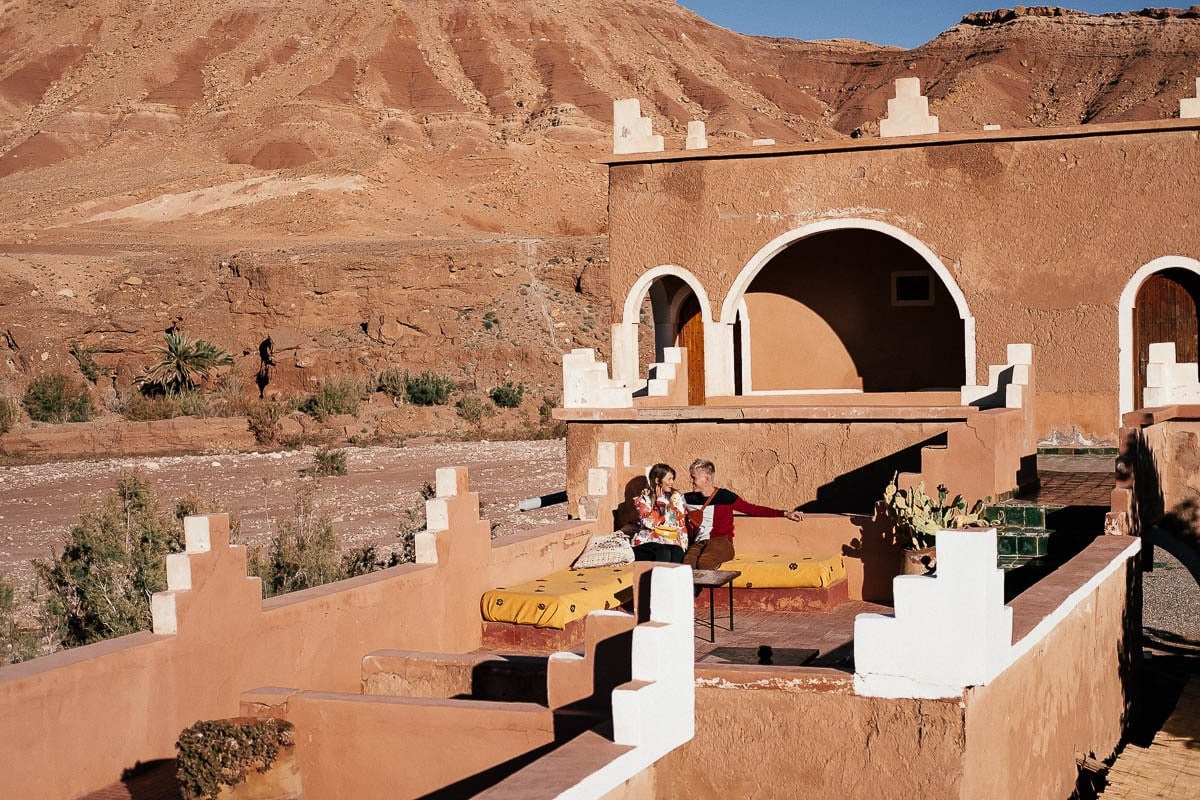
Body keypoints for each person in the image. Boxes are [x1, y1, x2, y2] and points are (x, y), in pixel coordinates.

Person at [682, 459, 803, 571]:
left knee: (705, 563)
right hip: (698, 542)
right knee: (687, 567)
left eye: (694, 478)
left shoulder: (726, 497)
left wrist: (785, 513)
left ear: (707, 479)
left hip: (721, 542)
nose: (691, 481)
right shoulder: (687, 499)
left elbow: (753, 509)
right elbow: (672, 507)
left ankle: (710, 587)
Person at [630, 463, 688, 563]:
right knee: (663, 551)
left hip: (670, 539)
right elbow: (651, 523)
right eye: (669, 479)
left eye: (672, 479)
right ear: (657, 481)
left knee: (677, 552)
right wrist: (660, 504)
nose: (672, 482)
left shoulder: (675, 498)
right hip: (648, 541)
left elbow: (676, 522)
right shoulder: (643, 500)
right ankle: (658, 573)